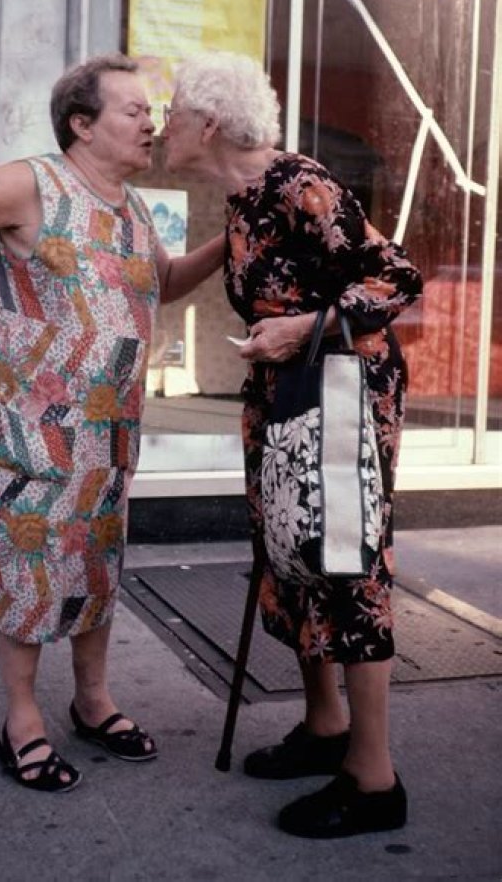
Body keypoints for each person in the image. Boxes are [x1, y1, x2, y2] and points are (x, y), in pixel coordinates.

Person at [0, 53, 224, 793]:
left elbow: (163, 283)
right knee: (25, 566)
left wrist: (228, 243)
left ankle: (92, 702)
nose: (152, 123)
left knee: (94, 561)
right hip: (28, 429)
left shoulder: (133, 208)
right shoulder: (33, 182)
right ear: (83, 123)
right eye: (134, 111)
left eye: (150, 112)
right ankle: (22, 722)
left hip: (107, 432)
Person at [161, 50, 423, 838]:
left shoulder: (301, 184)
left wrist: (302, 328)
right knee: (293, 555)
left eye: (171, 108)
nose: (161, 121)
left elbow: (397, 277)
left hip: (341, 397)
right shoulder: (244, 198)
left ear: (207, 123)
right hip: (286, 396)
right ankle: (324, 728)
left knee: (346, 564)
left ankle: (374, 781)